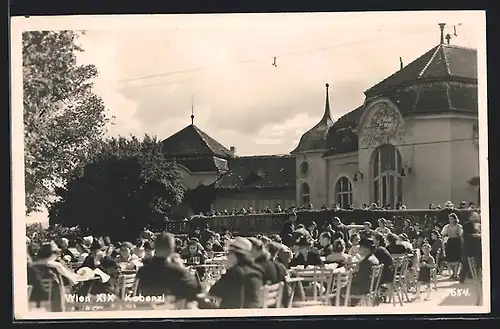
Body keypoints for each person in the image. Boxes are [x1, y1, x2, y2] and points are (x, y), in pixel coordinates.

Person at [136, 232, 201, 302]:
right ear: (172, 249)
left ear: (155, 247)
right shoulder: (177, 272)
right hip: (171, 309)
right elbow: (195, 290)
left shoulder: (142, 272)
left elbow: (136, 294)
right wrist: (182, 267)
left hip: (148, 308)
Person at [208, 237, 264, 308]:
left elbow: (214, 292)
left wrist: (206, 288)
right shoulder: (257, 270)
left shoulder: (235, 272)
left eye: (228, 253)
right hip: (253, 314)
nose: (227, 257)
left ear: (235, 255)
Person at [347, 238, 380, 306]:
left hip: (362, 288)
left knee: (338, 291)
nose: (358, 248)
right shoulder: (374, 259)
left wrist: (349, 279)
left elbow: (360, 278)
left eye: (360, 247)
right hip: (371, 286)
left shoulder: (366, 262)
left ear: (366, 249)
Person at [459, 211, 482, 283]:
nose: (475, 218)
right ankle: (461, 278)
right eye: (473, 216)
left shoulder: (480, 225)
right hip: (468, 246)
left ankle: (477, 276)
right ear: (470, 218)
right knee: (465, 263)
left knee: (479, 261)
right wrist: (475, 235)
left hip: (477, 246)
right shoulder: (466, 225)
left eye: (476, 216)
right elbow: (465, 236)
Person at [441, 213, 463, 280]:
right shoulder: (447, 226)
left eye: (452, 219)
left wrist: (462, 243)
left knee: (457, 259)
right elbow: (443, 235)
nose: (451, 220)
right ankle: (453, 274)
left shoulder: (459, 226)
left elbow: (461, 235)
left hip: (457, 242)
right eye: (450, 219)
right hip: (450, 243)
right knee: (450, 259)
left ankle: (456, 274)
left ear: (455, 219)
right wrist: (443, 243)